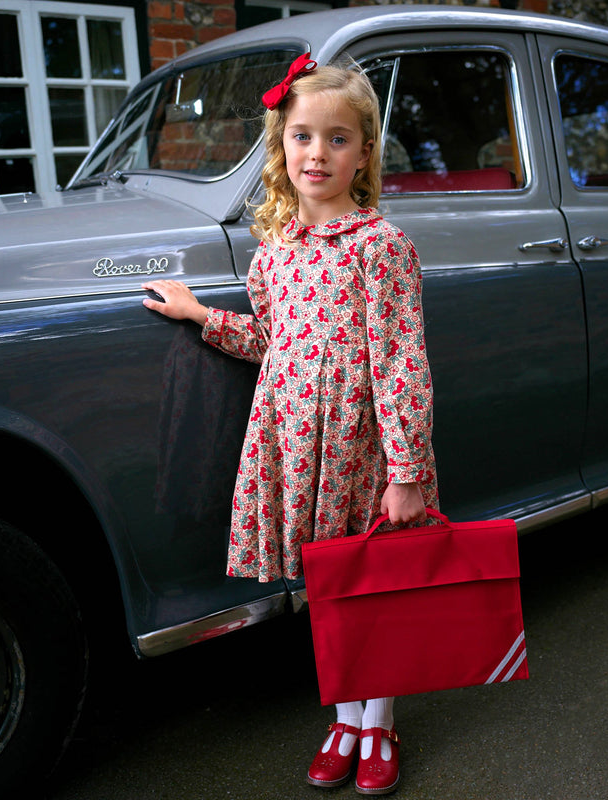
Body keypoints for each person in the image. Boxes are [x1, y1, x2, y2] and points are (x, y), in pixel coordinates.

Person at [143, 54, 438, 796]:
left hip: (363, 448)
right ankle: (343, 718)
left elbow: (401, 364)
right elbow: (273, 342)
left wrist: (406, 473)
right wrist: (200, 316)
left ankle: (380, 723)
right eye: (303, 137)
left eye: (338, 139)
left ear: (364, 153)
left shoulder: (380, 247)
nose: (317, 153)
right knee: (325, 587)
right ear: (281, 146)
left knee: (371, 583)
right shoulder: (274, 254)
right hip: (295, 445)